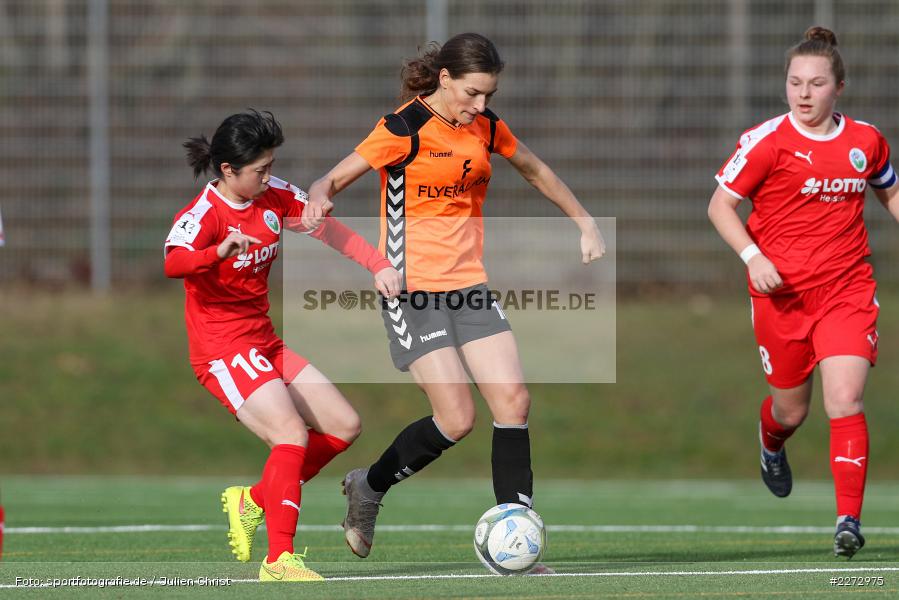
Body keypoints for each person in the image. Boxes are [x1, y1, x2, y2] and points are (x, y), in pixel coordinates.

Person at [303, 33, 605, 570]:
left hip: (469, 287)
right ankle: (368, 488)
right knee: (457, 418)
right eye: (472, 94)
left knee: (513, 402)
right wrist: (321, 195)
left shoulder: (486, 128)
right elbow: (335, 177)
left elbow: (534, 168)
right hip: (410, 289)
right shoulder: (403, 128)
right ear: (444, 80)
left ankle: (518, 542)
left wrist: (583, 222)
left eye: (488, 95)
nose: (480, 106)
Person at [164, 110, 401, 581]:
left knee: (343, 424)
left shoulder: (273, 197)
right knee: (290, 434)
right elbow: (174, 262)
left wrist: (377, 264)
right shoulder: (205, 214)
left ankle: (252, 499)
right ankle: (279, 560)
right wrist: (218, 253)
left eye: (271, 165)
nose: (269, 176)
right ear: (228, 170)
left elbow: (327, 230)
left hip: (263, 340)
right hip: (221, 349)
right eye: (260, 169)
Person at [708, 27, 899, 558]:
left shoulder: (866, 141)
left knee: (846, 399)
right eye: (795, 83)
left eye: (816, 84)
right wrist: (754, 257)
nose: (804, 94)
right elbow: (720, 207)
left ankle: (848, 522)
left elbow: (890, 190)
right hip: (782, 298)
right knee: (792, 412)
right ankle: (771, 442)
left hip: (847, 290)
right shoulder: (766, 142)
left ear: (840, 87)